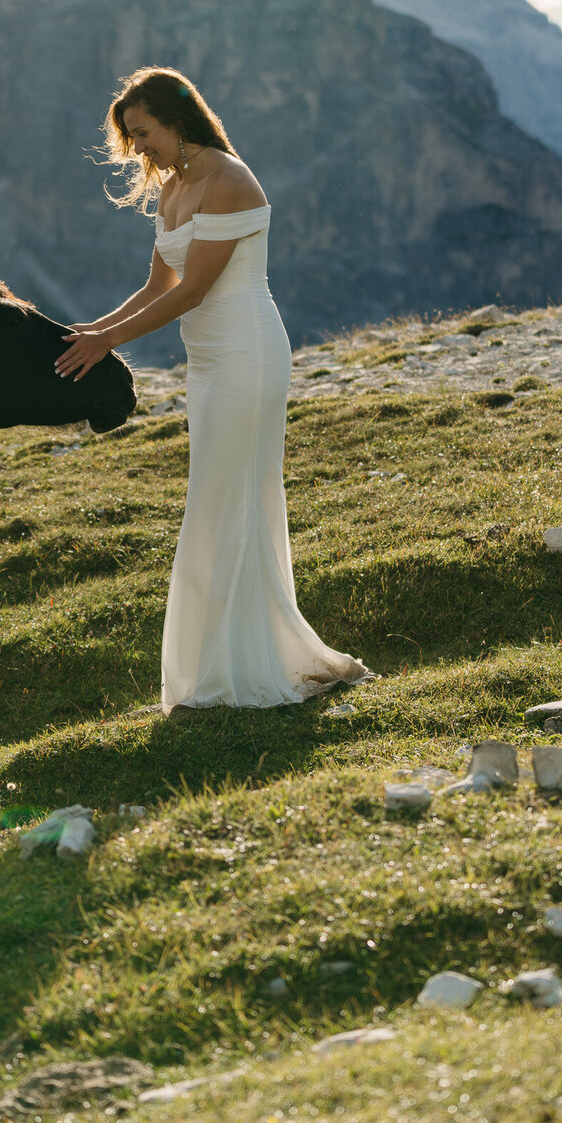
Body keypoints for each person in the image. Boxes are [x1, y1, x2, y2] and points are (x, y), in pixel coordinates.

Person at [56, 66, 375, 713]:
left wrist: (107, 345)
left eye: (144, 134)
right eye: (132, 139)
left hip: (247, 353)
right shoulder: (173, 190)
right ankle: (226, 662)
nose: (139, 149)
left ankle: (239, 669)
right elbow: (157, 288)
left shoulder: (230, 182)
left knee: (229, 500)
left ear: (178, 120)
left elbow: (195, 290)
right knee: (223, 499)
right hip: (208, 363)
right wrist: (88, 330)